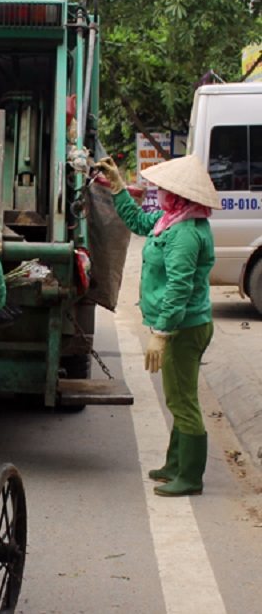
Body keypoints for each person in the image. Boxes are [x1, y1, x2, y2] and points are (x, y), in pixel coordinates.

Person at [96, 154, 220, 497]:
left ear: (181, 196)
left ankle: (190, 477)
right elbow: (138, 221)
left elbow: (179, 288)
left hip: (184, 327)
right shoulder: (173, 220)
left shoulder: (184, 234)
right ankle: (175, 464)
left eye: (165, 190)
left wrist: (162, 334)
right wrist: (119, 186)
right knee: (179, 395)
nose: (159, 194)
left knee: (182, 400)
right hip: (186, 324)